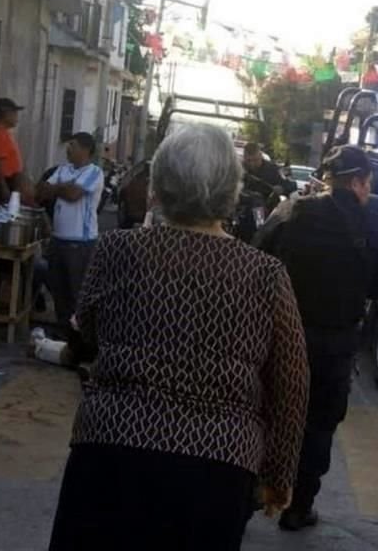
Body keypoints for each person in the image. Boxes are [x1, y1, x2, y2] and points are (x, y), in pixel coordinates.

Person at [47, 124, 309, 551]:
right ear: (232, 188)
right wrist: (279, 476)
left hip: (112, 446)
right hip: (218, 466)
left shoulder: (118, 250)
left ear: (159, 184)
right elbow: (291, 382)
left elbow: (89, 328)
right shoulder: (266, 275)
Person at [255, 144, 378, 532]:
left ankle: (247, 492)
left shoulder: (294, 209)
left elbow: (257, 253)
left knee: (265, 412)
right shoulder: (372, 221)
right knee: (319, 425)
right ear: (359, 182)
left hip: (282, 335)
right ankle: (299, 507)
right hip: (335, 344)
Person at [36, 133, 104, 348]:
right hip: (58, 239)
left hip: (80, 243)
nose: (68, 149)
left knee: (77, 292)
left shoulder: (94, 172)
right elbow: (41, 192)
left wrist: (58, 188)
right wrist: (62, 188)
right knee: (58, 290)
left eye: (72, 146)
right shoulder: (63, 169)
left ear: (85, 150)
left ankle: (80, 339)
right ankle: (63, 334)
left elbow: (74, 194)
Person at [0, 98, 29, 205]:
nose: (16, 117)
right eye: (14, 113)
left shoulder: (3, 132)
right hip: (3, 183)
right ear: (6, 113)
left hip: (10, 182)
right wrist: (3, 188)